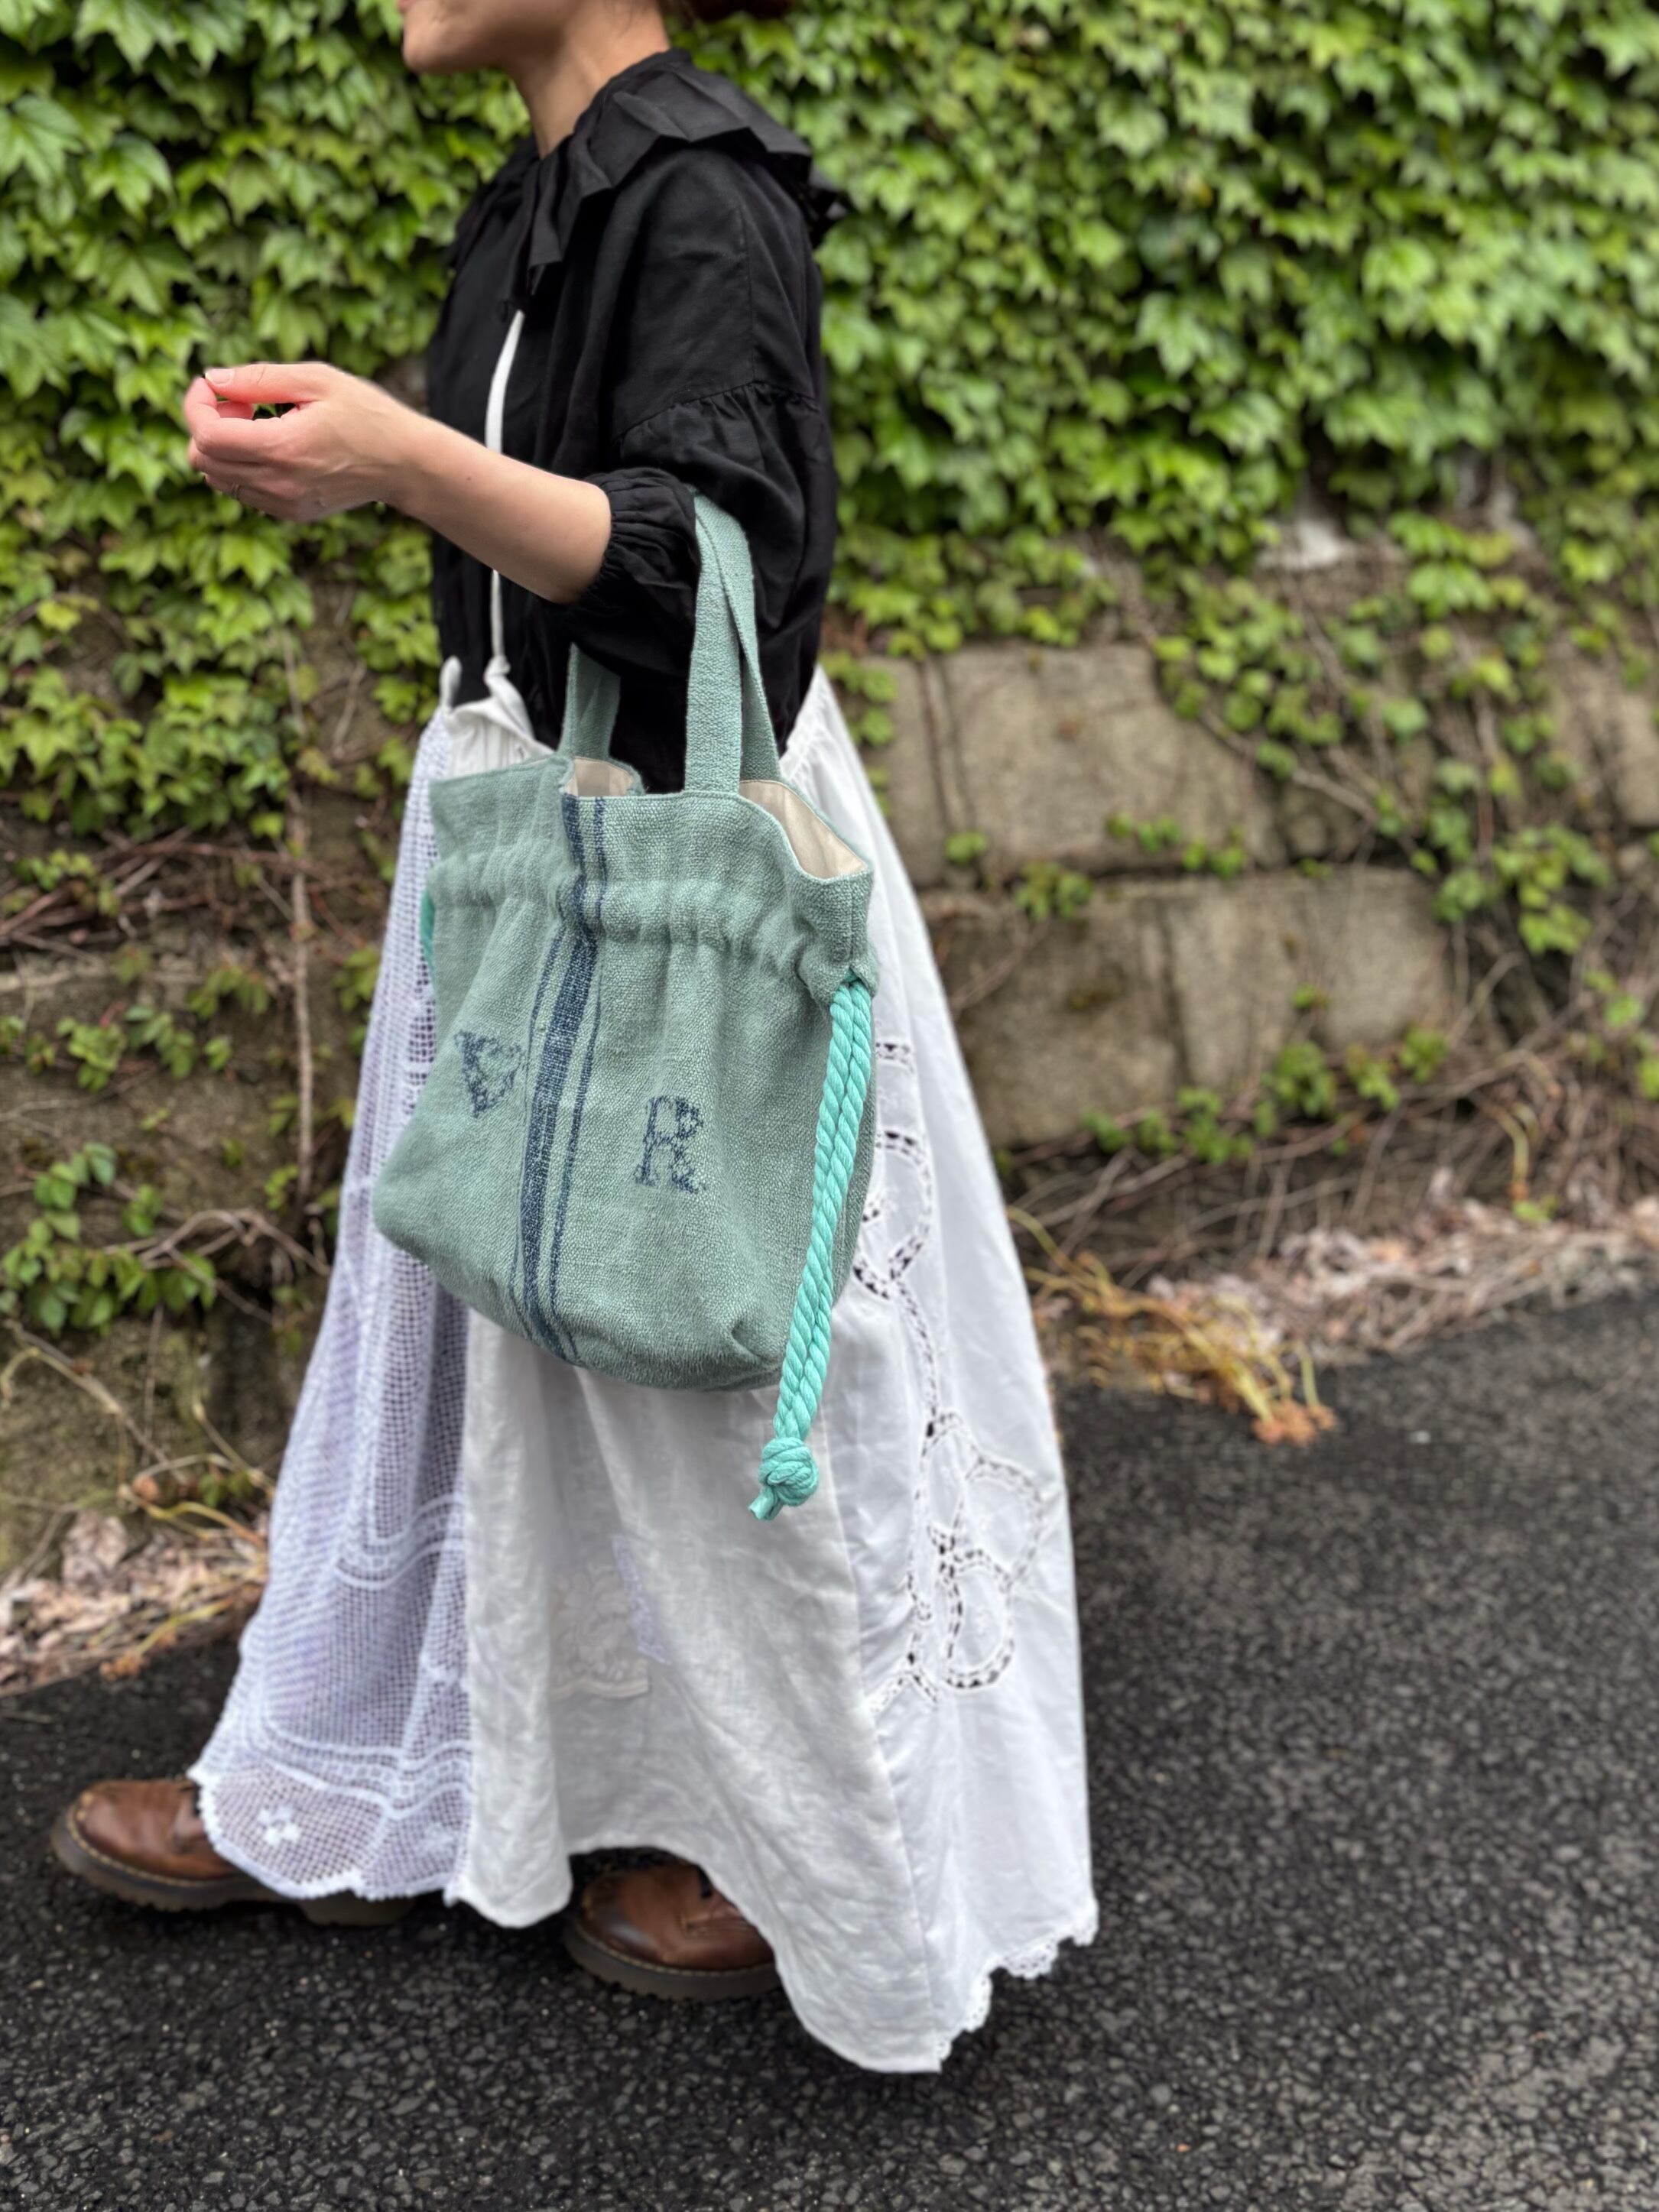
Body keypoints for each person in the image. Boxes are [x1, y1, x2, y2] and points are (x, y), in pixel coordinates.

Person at [50, 0, 1097, 2071]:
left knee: (717, 1328)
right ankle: (374, 1771)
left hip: (686, 840)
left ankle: (806, 1855)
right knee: (472, 1302)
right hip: (530, 826)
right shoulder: (534, 201)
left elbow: (731, 571)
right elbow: (555, 536)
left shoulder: (698, 191)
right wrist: (378, 477)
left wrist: (410, 461)